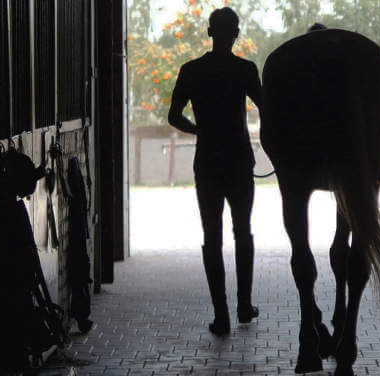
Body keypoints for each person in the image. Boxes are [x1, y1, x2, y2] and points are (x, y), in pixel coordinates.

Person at [167, 6, 263, 336]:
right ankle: (244, 306)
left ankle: (221, 315)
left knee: (212, 237)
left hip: (207, 160)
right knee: (243, 233)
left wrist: (199, 131)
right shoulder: (246, 70)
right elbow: (267, 108)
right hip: (239, 159)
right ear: (236, 34)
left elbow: (174, 116)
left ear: (210, 32)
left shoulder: (191, 71)